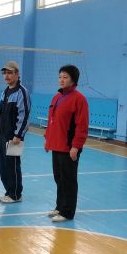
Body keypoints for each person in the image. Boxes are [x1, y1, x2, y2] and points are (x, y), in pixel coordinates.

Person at [43, 65, 89, 222]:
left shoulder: (79, 99)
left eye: (65, 77)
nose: (61, 80)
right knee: (59, 178)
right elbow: (52, 121)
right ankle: (60, 206)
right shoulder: (56, 97)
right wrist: (47, 139)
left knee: (68, 179)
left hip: (69, 147)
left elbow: (82, 126)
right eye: (60, 77)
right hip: (56, 144)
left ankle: (67, 212)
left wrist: (76, 146)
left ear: (73, 80)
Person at [0, 60, 30, 204]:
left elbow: (24, 115)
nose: (6, 76)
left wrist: (19, 135)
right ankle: (9, 192)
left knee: (13, 165)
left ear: (17, 74)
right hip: (3, 135)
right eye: (4, 73)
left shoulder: (22, 92)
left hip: (14, 137)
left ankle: (15, 194)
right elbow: (0, 113)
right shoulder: (5, 92)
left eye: (10, 73)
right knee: (3, 166)